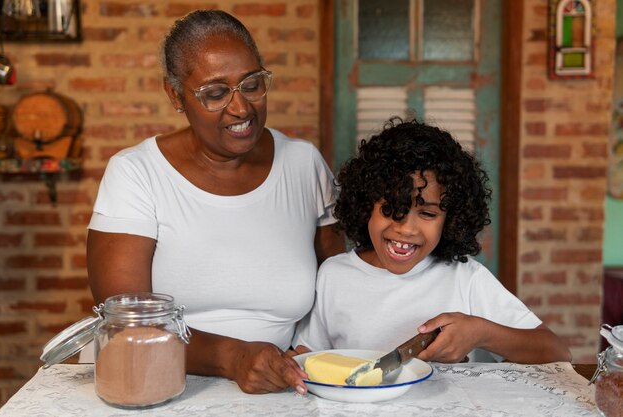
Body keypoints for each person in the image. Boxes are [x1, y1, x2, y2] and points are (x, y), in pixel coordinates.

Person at [86, 9, 344, 395]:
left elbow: (340, 287)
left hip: (279, 386)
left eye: (252, 84)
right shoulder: (137, 174)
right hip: (152, 385)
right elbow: (128, 323)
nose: (241, 109)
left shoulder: (304, 165)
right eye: (216, 93)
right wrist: (235, 358)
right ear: (176, 95)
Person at [293, 117, 571, 364]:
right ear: (366, 205)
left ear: (450, 219)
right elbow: (309, 356)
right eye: (392, 209)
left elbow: (557, 353)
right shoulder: (334, 276)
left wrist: (482, 333)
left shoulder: (465, 278)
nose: (406, 229)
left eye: (427, 213)